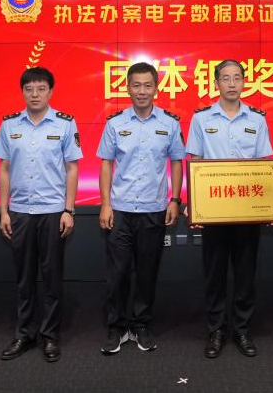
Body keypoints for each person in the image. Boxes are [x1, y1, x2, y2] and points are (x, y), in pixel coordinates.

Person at [186, 59, 273, 358]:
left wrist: (270, 205)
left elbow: (263, 165)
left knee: (246, 273)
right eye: (226, 78)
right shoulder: (201, 119)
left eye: (237, 77)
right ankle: (216, 331)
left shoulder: (257, 119)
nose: (232, 83)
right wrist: (194, 205)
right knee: (215, 273)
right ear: (216, 83)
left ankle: (243, 330)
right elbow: (195, 162)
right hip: (214, 211)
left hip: (248, 209)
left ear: (245, 82)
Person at [97, 62, 185, 355]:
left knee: (147, 272)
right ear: (127, 88)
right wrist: (106, 204)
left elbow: (176, 162)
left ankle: (141, 325)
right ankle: (117, 327)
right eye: (136, 85)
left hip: (154, 208)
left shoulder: (169, 123)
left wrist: (175, 199)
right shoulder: (115, 123)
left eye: (148, 85)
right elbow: (106, 163)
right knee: (117, 273)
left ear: (156, 88)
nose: (142, 91)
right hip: (120, 209)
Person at [0, 67, 81, 363]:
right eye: (29, 89)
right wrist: (3, 211)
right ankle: (24, 334)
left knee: (52, 278)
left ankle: (50, 336)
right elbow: (4, 169)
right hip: (20, 212)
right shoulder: (9, 125)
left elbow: (72, 168)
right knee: (24, 278)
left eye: (41, 88)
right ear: (22, 91)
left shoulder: (65, 123)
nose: (35, 94)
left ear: (50, 92)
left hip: (53, 211)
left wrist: (69, 209)